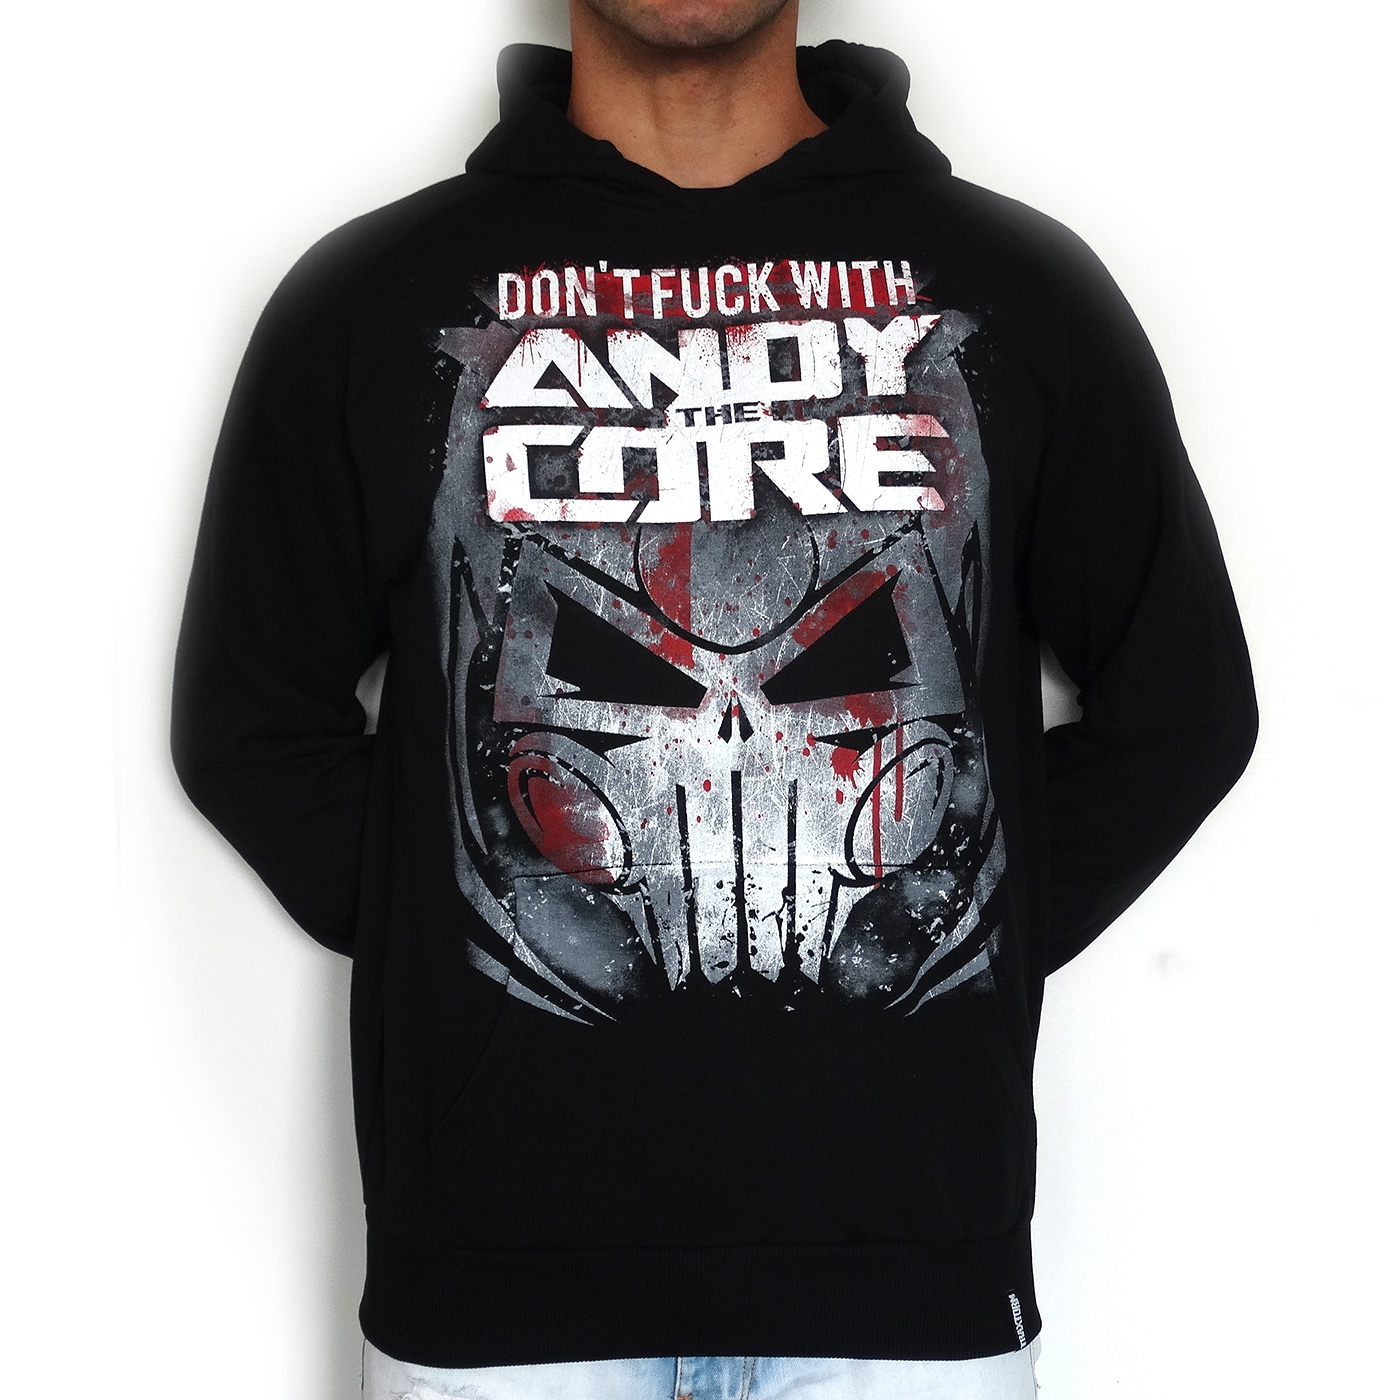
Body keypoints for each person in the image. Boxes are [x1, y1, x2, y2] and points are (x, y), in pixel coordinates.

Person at [171, 1, 1258, 1395]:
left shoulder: (1016, 288)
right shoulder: (373, 300)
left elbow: (1180, 712)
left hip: (907, 1282)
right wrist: (463, 938)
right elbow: (251, 726)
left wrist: (944, 921)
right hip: (501, 1294)